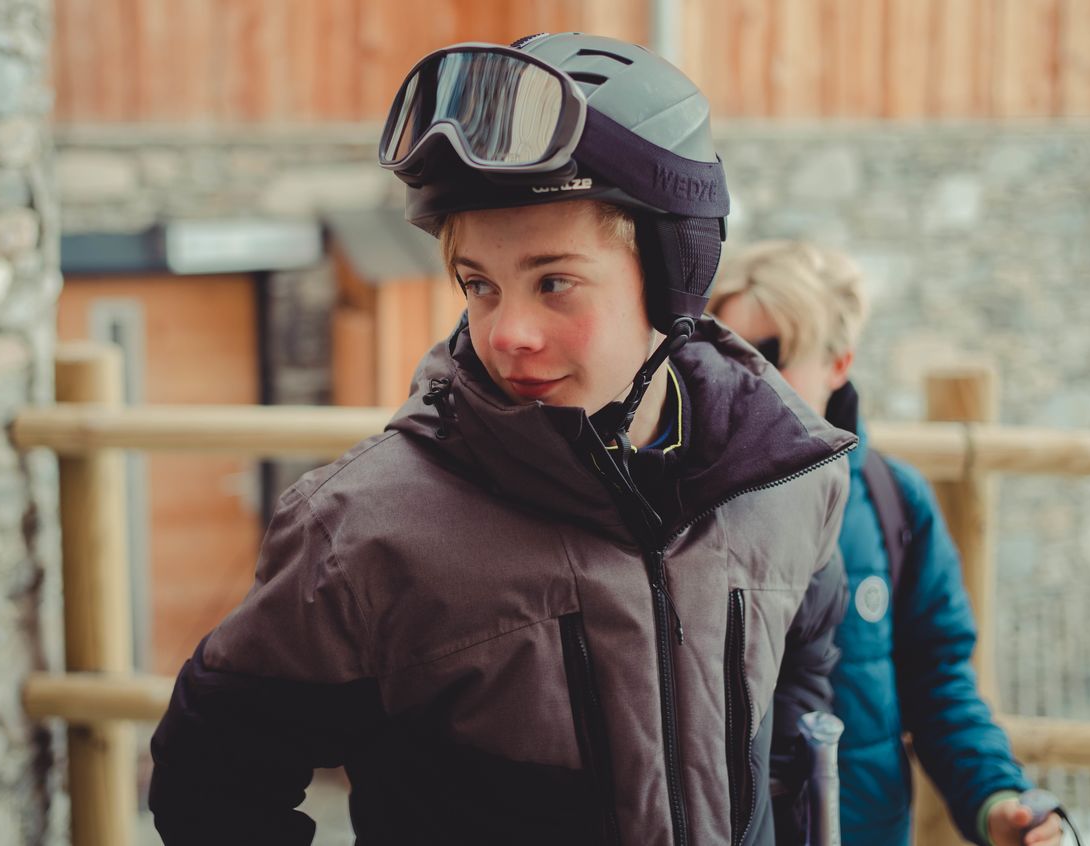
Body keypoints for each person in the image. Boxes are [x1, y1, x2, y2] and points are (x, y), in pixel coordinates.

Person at [150, 35, 855, 845]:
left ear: (674, 274)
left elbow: (808, 659)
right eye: (479, 285)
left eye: (554, 282)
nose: (508, 332)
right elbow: (211, 783)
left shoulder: (782, 477)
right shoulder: (367, 534)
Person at [709, 240, 1061, 846]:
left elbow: (939, 681)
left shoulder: (895, 503)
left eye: (774, 354)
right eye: (728, 353)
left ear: (838, 363)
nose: (750, 378)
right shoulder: (677, 505)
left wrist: (995, 798)